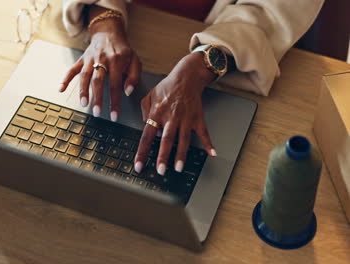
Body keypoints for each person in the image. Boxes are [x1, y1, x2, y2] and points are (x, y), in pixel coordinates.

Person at [58, 0, 324, 176]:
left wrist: (200, 67)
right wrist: (104, 23)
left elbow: (270, 12)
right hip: (138, 25)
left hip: (229, 42)